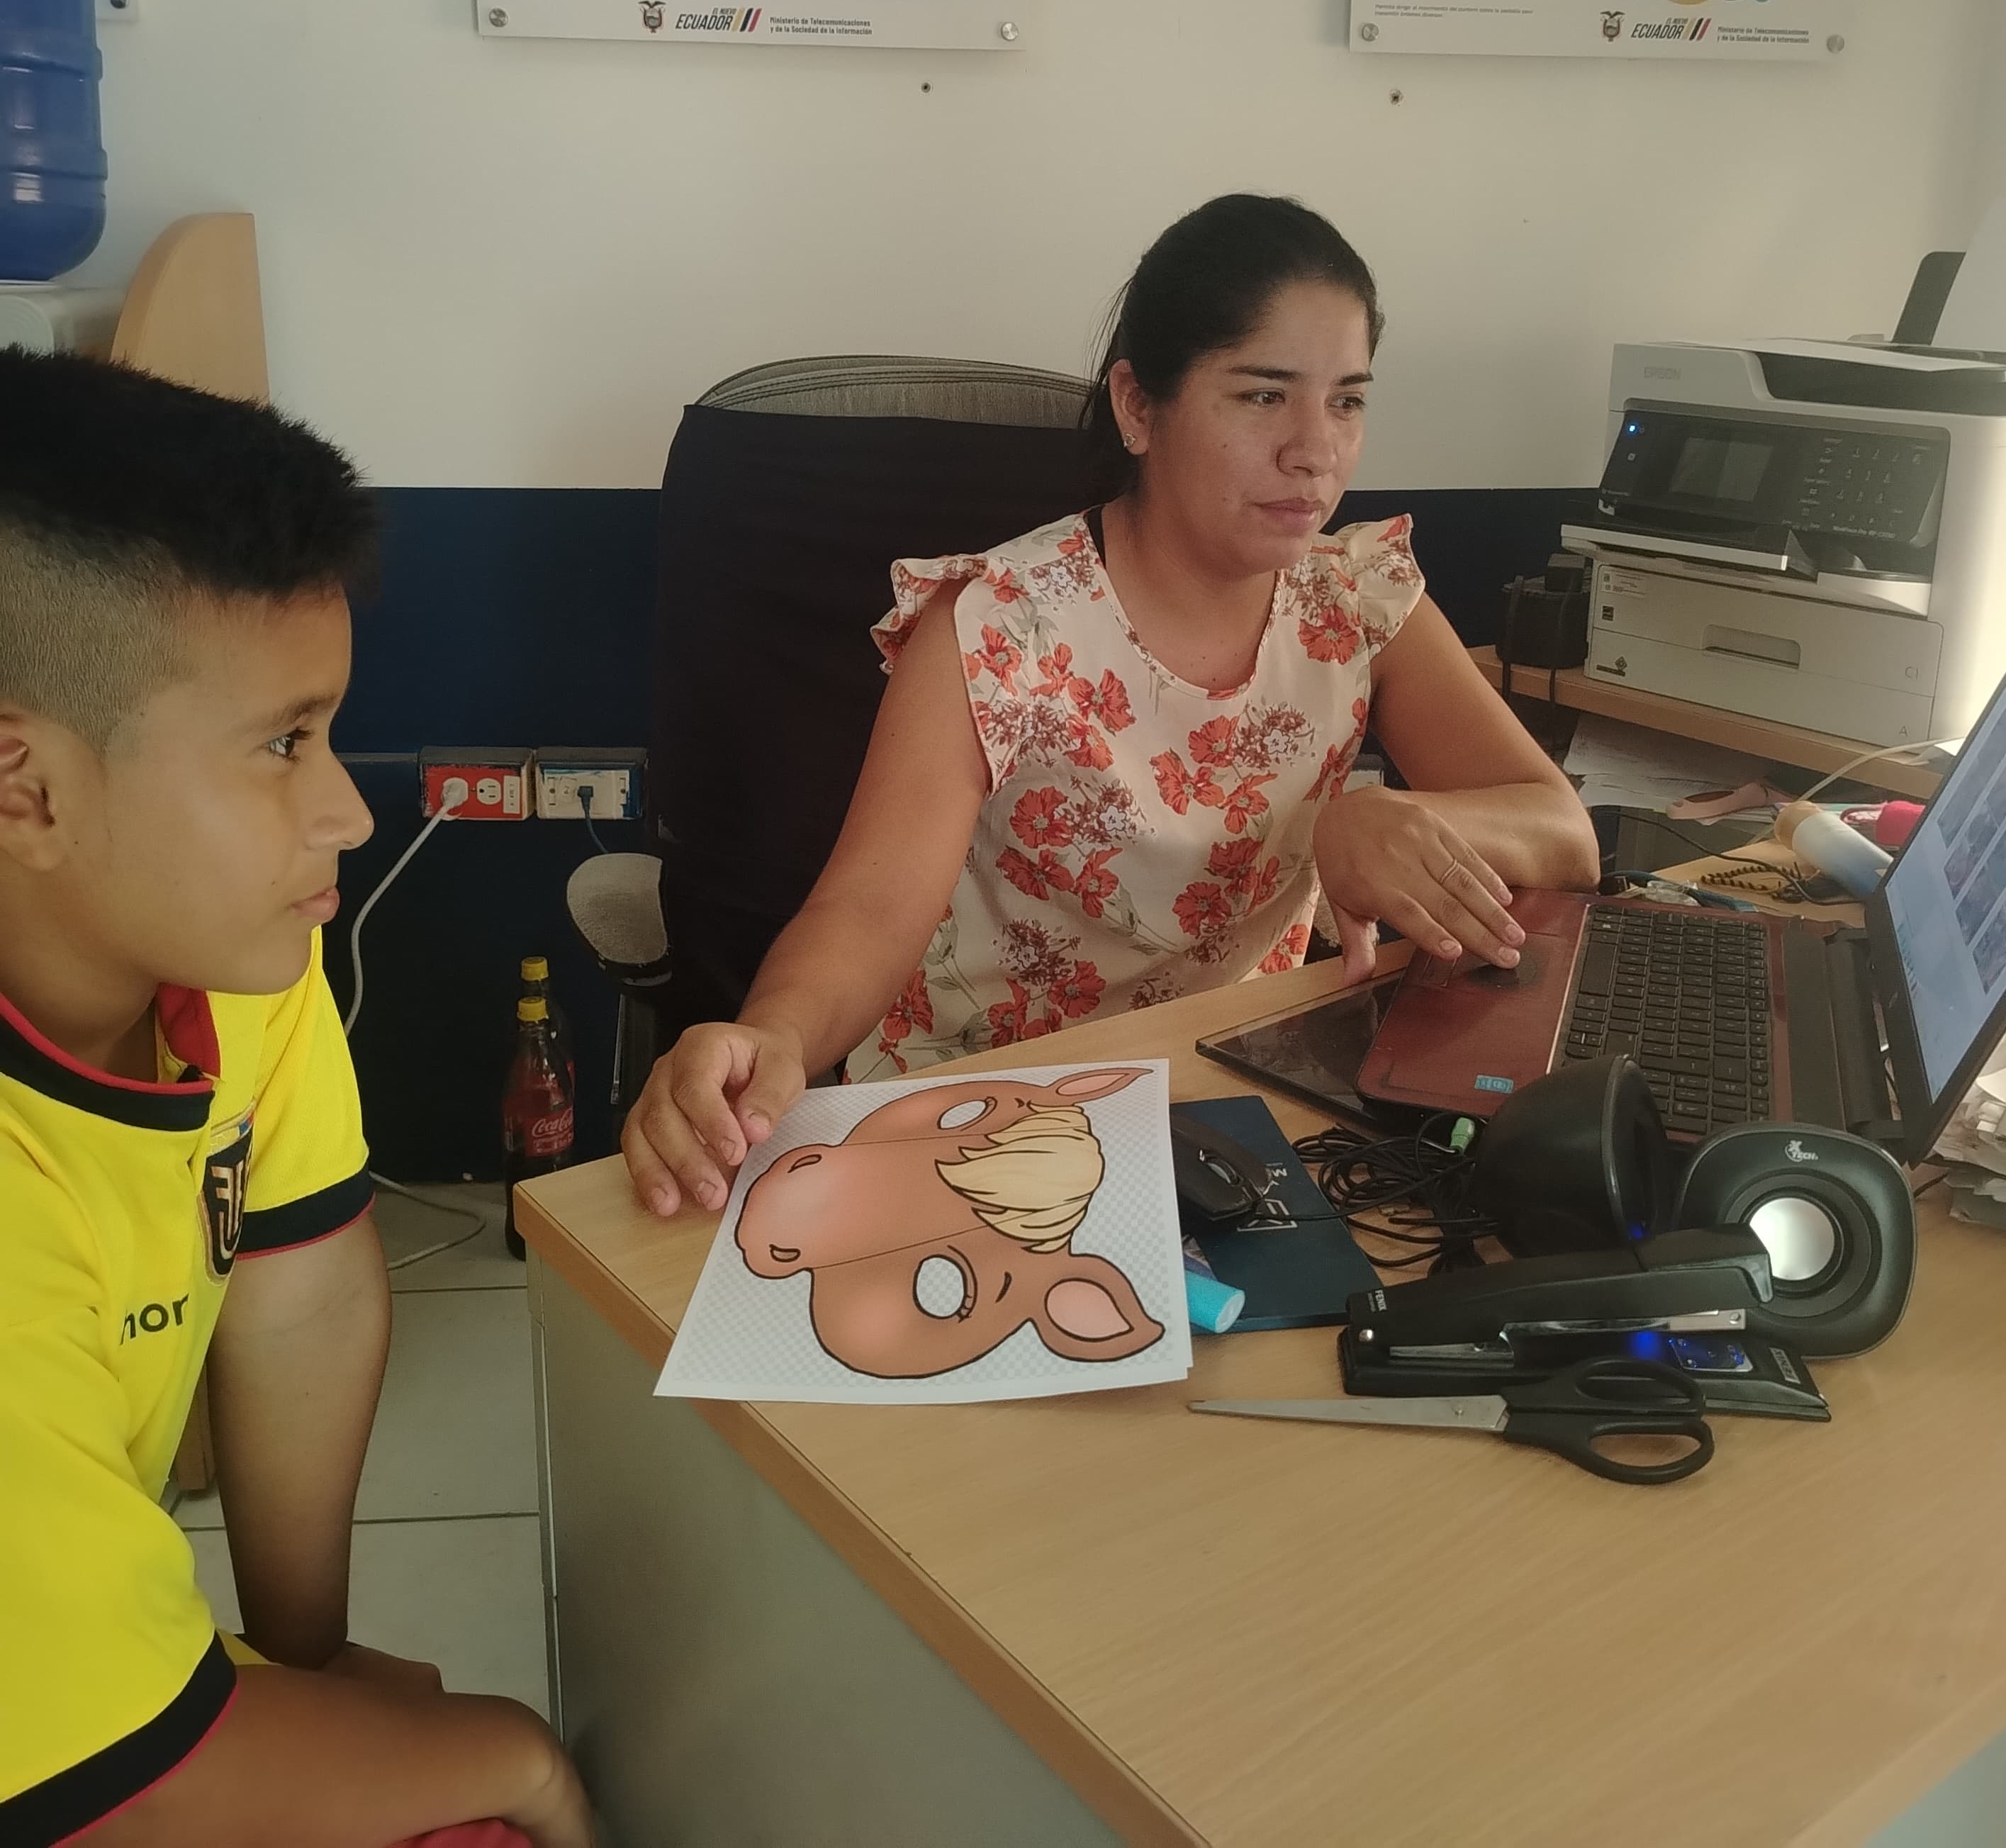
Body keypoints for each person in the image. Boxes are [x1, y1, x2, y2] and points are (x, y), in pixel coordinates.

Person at [622, 194, 1600, 1216]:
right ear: (1138, 407)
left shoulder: (1359, 600)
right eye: (1263, 396)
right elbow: (868, 911)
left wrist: (1385, 819)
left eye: (1347, 401)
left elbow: (1564, 835)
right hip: (988, 1118)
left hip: (1236, 1103)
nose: (1316, 451)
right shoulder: (998, 624)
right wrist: (773, 1034)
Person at [0, 350, 593, 1848]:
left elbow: (300, 1290)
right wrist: (517, 1757)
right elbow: (127, 1791)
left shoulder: (231, 960)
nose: (344, 810)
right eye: (281, 744)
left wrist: (308, 1663)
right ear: (25, 786)